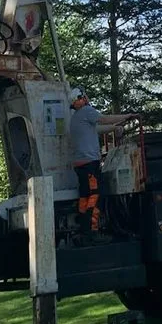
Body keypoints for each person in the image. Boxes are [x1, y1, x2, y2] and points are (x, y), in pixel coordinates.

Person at [69, 87, 130, 241]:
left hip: (80, 165)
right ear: (81, 98)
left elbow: (97, 128)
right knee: (96, 196)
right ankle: (92, 231)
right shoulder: (86, 111)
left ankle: (84, 230)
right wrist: (127, 116)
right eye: (84, 96)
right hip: (90, 164)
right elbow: (104, 119)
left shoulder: (76, 117)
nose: (86, 99)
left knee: (84, 197)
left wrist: (114, 128)